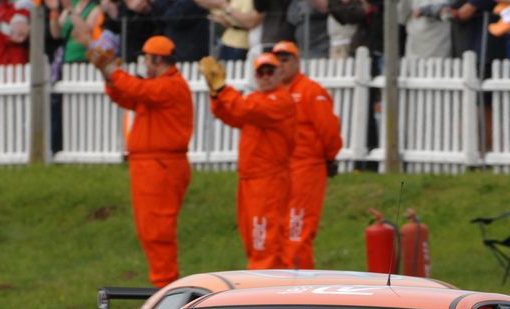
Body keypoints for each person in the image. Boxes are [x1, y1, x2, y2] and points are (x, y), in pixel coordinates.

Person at [92, 34, 195, 288]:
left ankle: (165, 288)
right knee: (150, 230)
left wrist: (111, 70)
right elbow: (125, 96)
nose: (144, 64)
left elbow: (136, 89)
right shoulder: (159, 87)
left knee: (157, 230)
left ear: (157, 60)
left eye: (147, 59)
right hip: (152, 166)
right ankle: (163, 286)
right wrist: (108, 76)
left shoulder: (170, 86)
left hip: (161, 166)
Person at [200, 51, 296, 268]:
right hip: (250, 179)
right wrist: (215, 94)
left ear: (280, 73)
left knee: (265, 240)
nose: (265, 77)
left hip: (269, 180)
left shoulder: (281, 100)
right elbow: (231, 115)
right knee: (253, 238)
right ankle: (267, 281)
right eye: (261, 73)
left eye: (270, 71)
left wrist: (223, 89)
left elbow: (244, 109)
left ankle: (265, 284)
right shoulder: (256, 99)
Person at [273, 40, 341, 268]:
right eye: (277, 62)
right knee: (280, 231)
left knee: (298, 230)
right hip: (281, 171)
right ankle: (282, 281)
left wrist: (329, 157)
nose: (281, 66)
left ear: (297, 62)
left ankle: (300, 282)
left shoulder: (311, 91)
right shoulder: (276, 94)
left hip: (306, 169)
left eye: (285, 60)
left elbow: (329, 131)